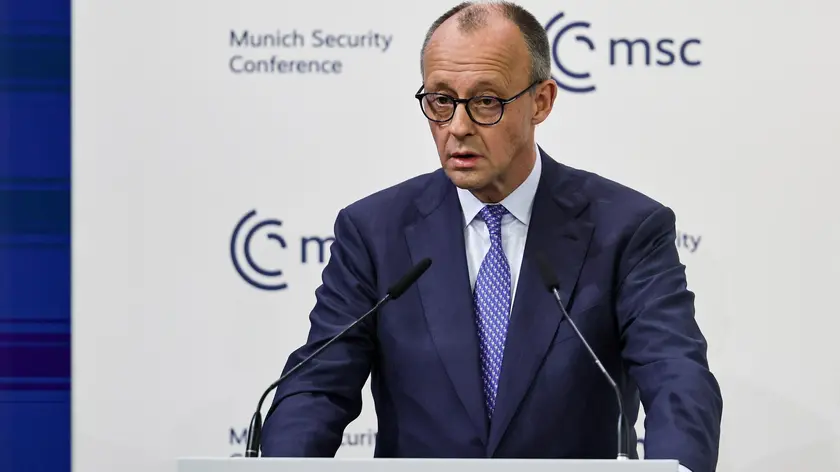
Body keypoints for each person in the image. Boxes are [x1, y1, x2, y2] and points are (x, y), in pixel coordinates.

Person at [260, 2, 723, 472]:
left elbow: (676, 379)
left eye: (486, 101)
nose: (458, 127)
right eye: (441, 100)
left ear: (541, 101)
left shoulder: (625, 229)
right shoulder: (374, 232)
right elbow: (316, 388)